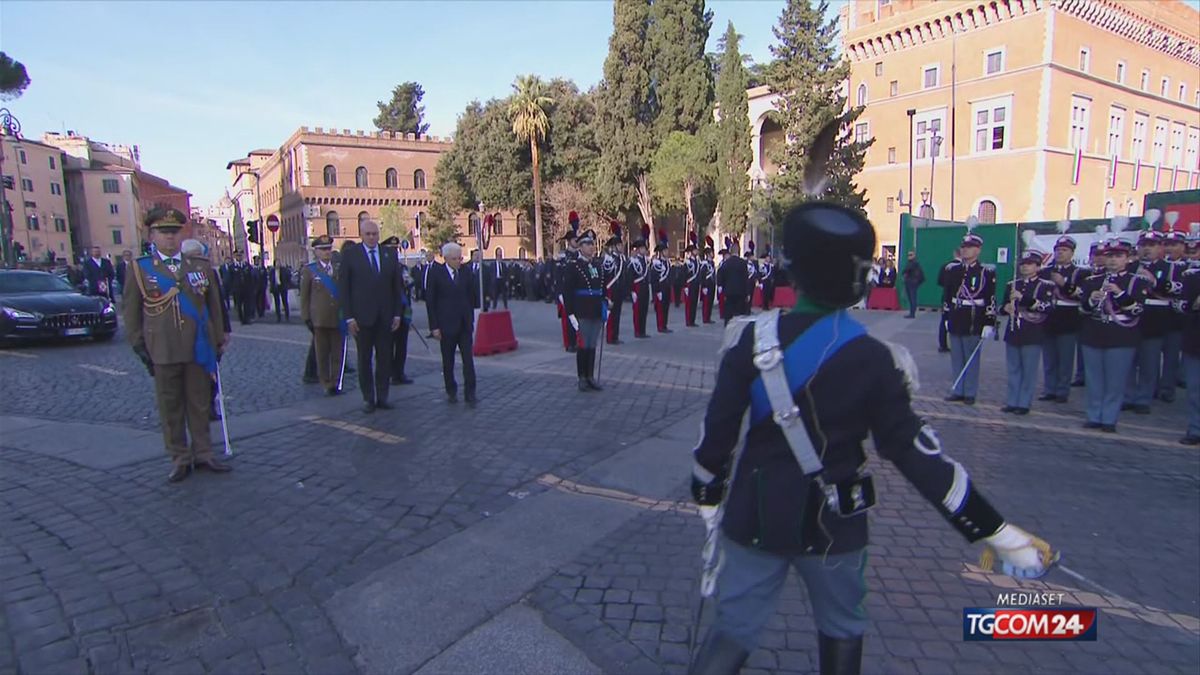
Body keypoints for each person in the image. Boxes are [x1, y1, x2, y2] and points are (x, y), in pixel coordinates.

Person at [688, 202, 1056, 675]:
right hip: (835, 523)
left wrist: (709, 496)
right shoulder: (874, 359)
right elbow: (919, 457)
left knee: (732, 634)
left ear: (790, 270)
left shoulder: (747, 341)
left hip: (755, 513)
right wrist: (995, 531)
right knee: (842, 630)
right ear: (859, 281)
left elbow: (714, 441)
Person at [124, 208, 231, 483]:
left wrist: (218, 338)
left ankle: (203, 452)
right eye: (164, 233)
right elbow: (132, 312)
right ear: (152, 235)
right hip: (164, 348)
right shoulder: (141, 269)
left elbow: (214, 306)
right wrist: (140, 345)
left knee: (198, 403)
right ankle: (180, 457)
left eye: (174, 233)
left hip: (197, 347)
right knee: (171, 407)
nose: (170, 239)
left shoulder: (199, 266)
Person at [1080, 239, 1151, 432]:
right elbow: (1082, 310)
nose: (1112, 261)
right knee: (1094, 379)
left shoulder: (1137, 281)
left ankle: (1109, 418)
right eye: (1109, 256)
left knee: (1115, 380)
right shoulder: (1092, 280)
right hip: (1094, 333)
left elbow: (1137, 310)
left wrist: (1119, 294)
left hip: (1121, 335)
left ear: (1128, 259)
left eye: (1118, 256)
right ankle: (1094, 415)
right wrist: (1091, 300)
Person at [339, 219, 404, 414]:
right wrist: (349, 317)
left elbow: (396, 288)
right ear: (361, 235)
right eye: (368, 234)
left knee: (384, 358)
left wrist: (397, 314)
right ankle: (369, 398)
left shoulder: (389, 254)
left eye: (375, 234)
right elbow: (345, 289)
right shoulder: (351, 255)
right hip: (362, 318)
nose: (372, 237)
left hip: (385, 318)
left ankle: (383, 396)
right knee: (364, 359)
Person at [942, 234, 996, 405]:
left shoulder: (985, 272)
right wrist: (946, 316)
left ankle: (970, 392)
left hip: (974, 318)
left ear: (978, 250)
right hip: (956, 315)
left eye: (970, 247)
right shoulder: (953, 270)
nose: (965, 250)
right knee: (957, 356)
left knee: (971, 358)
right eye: (964, 247)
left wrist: (989, 322)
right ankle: (958, 389)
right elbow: (947, 295)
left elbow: (990, 298)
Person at [1000, 251, 1054, 415]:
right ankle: (1012, 400)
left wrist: (1024, 299)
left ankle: (1024, 403)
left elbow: (1048, 307)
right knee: (1013, 369)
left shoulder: (1046, 286)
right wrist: (1005, 308)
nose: (1025, 266)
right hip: (1014, 331)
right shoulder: (1012, 284)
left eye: (1030, 264)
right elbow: (1002, 307)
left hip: (1032, 332)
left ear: (1038, 266)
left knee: (1028, 370)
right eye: (1023, 263)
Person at [1123, 231, 1170, 415]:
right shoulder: (1130, 267)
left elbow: (1175, 289)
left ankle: (1143, 398)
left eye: (1151, 245)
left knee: (1149, 362)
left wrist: (1154, 281)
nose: (1146, 249)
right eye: (1143, 245)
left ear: (1160, 247)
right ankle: (1127, 396)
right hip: (1130, 319)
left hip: (1154, 319)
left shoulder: (1168, 267)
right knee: (1128, 361)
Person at [426, 242, 479, 404]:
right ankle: (451, 390)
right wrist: (434, 326)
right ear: (446, 258)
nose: (458, 261)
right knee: (448, 361)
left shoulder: (466, 272)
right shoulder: (436, 273)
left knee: (468, 361)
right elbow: (431, 301)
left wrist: (471, 317)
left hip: (464, 324)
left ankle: (470, 393)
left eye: (460, 258)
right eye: (455, 259)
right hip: (445, 325)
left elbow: (472, 296)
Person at [1038, 237, 1086, 403]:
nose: (1060, 253)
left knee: (1065, 358)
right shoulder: (1045, 272)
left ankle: (1062, 390)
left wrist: (1063, 283)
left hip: (1068, 318)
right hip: (1049, 317)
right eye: (1058, 249)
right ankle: (1049, 388)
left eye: (1064, 250)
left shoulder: (1080, 273)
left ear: (1072, 253)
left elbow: (1082, 295)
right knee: (1049, 358)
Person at [300, 235, 347, 396]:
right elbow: (305, 296)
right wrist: (306, 317)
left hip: (337, 317)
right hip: (319, 319)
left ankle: (335, 382)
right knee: (322, 354)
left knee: (337, 352)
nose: (327, 252)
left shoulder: (338, 269)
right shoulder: (310, 270)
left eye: (329, 249)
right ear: (316, 252)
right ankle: (326, 382)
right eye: (323, 250)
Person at [564, 230, 607, 392]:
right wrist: (570, 314)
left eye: (592, 244)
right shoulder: (573, 266)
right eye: (587, 244)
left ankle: (590, 376)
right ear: (580, 247)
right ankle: (582, 377)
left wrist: (605, 303)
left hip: (595, 310)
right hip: (581, 311)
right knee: (583, 345)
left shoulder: (597, 265)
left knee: (592, 345)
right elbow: (567, 291)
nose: (591, 247)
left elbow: (602, 288)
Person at [1158, 231, 1189, 402]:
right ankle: (1152, 388)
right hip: (1156, 318)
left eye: (1174, 245)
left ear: (1183, 247)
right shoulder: (1158, 265)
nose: (1170, 248)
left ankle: (1167, 389)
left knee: (1171, 357)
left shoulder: (1188, 268)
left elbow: (1184, 289)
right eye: (1167, 245)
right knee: (1151, 357)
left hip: (1176, 319)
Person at [383, 236, 414, 385]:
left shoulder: (402, 268)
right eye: (391, 249)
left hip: (403, 310)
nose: (394, 252)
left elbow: (408, 285)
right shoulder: (381, 268)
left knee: (402, 344)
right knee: (388, 345)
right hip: (388, 311)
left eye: (396, 249)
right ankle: (387, 372)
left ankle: (399, 373)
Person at [1177, 261, 1200, 445]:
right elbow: (1181, 306)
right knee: (1195, 390)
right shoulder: (1193, 278)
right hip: (1196, 341)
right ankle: (1195, 429)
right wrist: (1194, 304)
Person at [602, 228, 627, 345]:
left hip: (619, 291)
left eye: (621, 245)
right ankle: (610, 337)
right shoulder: (609, 259)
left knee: (617, 314)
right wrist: (607, 294)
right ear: (614, 246)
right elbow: (607, 277)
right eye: (619, 245)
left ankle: (615, 336)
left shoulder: (621, 258)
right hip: (611, 290)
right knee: (611, 315)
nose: (621, 247)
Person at [717, 241, 750, 324]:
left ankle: (728, 326)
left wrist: (722, 287)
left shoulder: (726, 263)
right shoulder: (743, 263)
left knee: (728, 312)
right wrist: (747, 293)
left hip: (729, 291)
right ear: (739, 251)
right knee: (738, 313)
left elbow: (721, 276)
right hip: (740, 292)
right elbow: (745, 279)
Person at [934, 249, 960, 352]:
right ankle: (957, 344)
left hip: (946, 297)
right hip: (959, 298)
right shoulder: (963, 267)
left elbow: (940, 281)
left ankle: (942, 344)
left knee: (944, 320)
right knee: (959, 321)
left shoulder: (946, 266)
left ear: (954, 254)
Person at [629, 239, 651, 339]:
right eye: (642, 248)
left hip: (644, 288)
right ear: (638, 250)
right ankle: (637, 331)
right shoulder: (634, 261)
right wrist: (632, 291)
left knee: (644, 310)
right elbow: (630, 277)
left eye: (645, 248)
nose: (644, 250)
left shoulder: (645, 260)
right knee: (638, 311)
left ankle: (643, 330)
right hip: (637, 288)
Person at [651, 242, 673, 333]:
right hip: (660, 288)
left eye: (667, 250)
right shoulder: (657, 263)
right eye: (665, 251)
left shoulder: (667, 262)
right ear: (661, 252)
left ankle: (664, 325)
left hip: (667, 288)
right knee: (660, 309)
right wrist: (657, 291)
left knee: (666, 308)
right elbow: (654, 278)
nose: (667, 252)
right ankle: (660, 326)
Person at [900, 250, 924, 318]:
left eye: (911, 255)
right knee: (911, 298)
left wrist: (904, 272)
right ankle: (911, 312)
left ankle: (912, 313)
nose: (909, 256)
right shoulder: (912, 263)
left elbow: (906, 269)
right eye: (908, 255)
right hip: (911, 282)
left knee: (912, 298)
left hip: (912, 282)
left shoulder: (913, 263)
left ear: (914, 256)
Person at [684, 244, 701, 327]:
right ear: (691, 252)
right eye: (695, 250)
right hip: (689, 284)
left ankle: (692, 320)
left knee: (694, 303)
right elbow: (683, 275)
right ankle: (688, 321)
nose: (697, 251)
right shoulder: (687, 262)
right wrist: (685, 286)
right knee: (689, 304)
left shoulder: (697, 261)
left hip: (696, 285)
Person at [700, 241, 717, 324]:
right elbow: (702, 276)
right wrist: (704, 286)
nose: (713, 254)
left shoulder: (712, 263)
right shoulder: (704, 263)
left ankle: (708, 317)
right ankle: (705, 318)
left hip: (712, 284)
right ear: (708, 254)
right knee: (706, 303)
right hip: (707, 285)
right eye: (712, 253)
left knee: (710, 302)